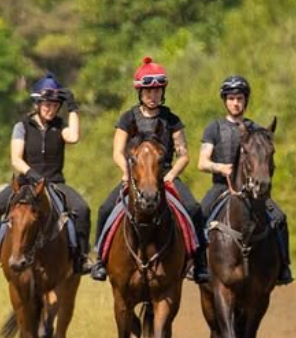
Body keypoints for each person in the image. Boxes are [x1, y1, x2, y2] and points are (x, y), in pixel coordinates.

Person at [89, 56, 208, 283]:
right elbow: (117, 151)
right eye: (148, 91)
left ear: (163, 92)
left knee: (193, 208)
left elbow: (184, 155)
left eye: (157, 91)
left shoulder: (171, 119)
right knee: (105, 209)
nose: (153, 96)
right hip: (135, 176)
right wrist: (125, 172)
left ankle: (200, 263)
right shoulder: (127, 118)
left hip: (164, 176)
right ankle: (100, 260)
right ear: (140, 93)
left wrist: (171, 175)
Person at [0, 73, 93, 275]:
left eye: (56, 105)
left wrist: (73, 107)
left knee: (82, 209)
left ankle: (81, 257)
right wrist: (32, 175)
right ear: (37, 104)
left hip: (55, 183)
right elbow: (16, 159)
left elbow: (73, 137)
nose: (51, 108)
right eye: (46, 104)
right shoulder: (21, 127)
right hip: (25, 184)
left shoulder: (60, 127)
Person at [197, 75, 294, 286]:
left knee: (279, 218)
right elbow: (202, 163)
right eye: (231, 98)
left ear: (245, 100)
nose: (236, 103)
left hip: (252, 191)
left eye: (239, 98)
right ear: (225, 100)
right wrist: (220, 167)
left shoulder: (256, 130)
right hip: (221, 187)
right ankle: (198, 265)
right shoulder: (214, 128)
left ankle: (283, 266)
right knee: (199, 214)